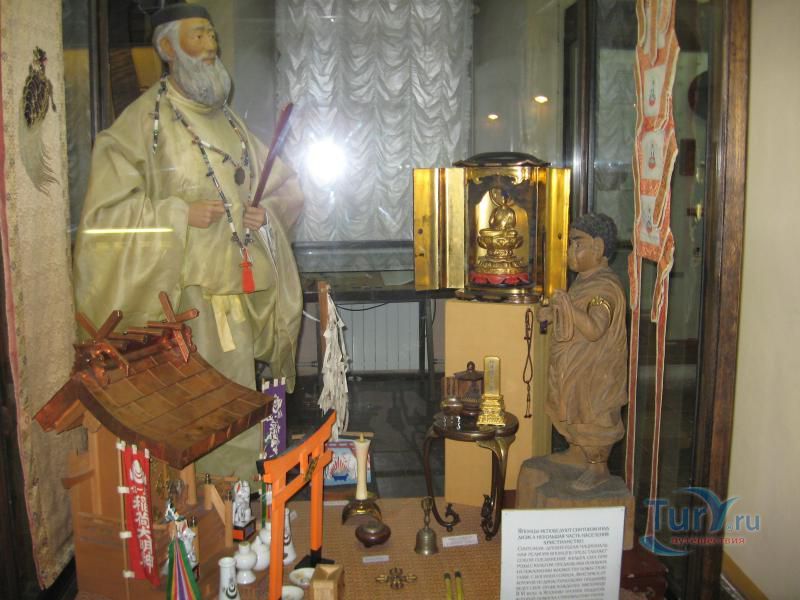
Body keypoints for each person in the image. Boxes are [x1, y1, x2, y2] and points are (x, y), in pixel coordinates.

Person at [73, 2, 303, 476]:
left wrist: (266, 214)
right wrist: (179, 215)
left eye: (212, 35)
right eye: (198, 35)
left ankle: (236, 503)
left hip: (240, 298)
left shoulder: (232, 125)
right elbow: (103, 219)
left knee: (239, 404)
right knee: (196, 417)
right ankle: (199, 506)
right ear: (166, 47)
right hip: (182, 305)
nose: (211, 45)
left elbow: (286, 187)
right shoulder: (142, 125)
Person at [537, 213, 628, 491]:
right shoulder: (584, 280)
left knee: (591, 415)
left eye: (577, 244)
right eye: (570, 244)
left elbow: (594, 328)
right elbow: (573, 314)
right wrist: (553, 313)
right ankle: (578, 454)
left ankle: (597, 466)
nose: (570, 251)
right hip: (575, 369)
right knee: (573, 411)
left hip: (594, 375)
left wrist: (566, 306)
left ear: (598, 248)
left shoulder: (606, 288)